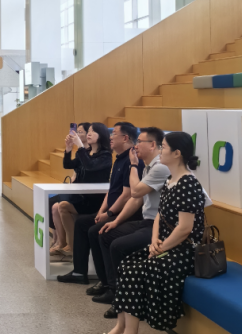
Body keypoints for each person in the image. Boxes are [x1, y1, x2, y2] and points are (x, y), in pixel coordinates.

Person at [98, 132, 206, 334]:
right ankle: (124, 330)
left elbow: (185, 228)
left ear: (177, 153)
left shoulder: (189, 183)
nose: (160, 151)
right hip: (165, 245)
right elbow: (159, 216)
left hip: (183, 251)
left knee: (137, 269)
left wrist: (161, 247)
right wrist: (155, 239)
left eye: (163, 147)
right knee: (127, 264)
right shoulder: (170, 180)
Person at [58, 122, 145, 286]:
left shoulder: (126, 160)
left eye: (114, 134)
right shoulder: (119, 159)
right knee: (81, 222)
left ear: (125, 138)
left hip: (120, 212)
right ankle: (80, 272)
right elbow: (111, 190)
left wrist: (109, 213)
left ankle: (106, 282)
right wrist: (102, 211)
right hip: (106, 207)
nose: (111, 137)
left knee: (93, 229)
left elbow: (127, 195)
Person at [95, 128, 171, 313]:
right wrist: (115, 221)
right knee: (105, 233)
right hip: (147, 221)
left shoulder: (160, 167)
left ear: (152, 145)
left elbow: (135, 191)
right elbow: (136, 200)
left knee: (117, 245)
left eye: (140, 142)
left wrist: (133, 165)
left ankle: (122, 298)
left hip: (158, 225)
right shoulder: (149, 166)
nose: (136, 146)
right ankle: (113, 289)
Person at [50, 123, 112, 256]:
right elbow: (68, 165)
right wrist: (68, 149)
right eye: (89, 131)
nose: (89, 133)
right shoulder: (86, 152)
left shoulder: (105, 155)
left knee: (63, 206)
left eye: (93, 131)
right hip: (82, 196)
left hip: (95, 199)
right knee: (58, 205)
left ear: (101, 135)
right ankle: (67, 245)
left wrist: (80, 146)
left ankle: (72, 247)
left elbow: (90, 166)